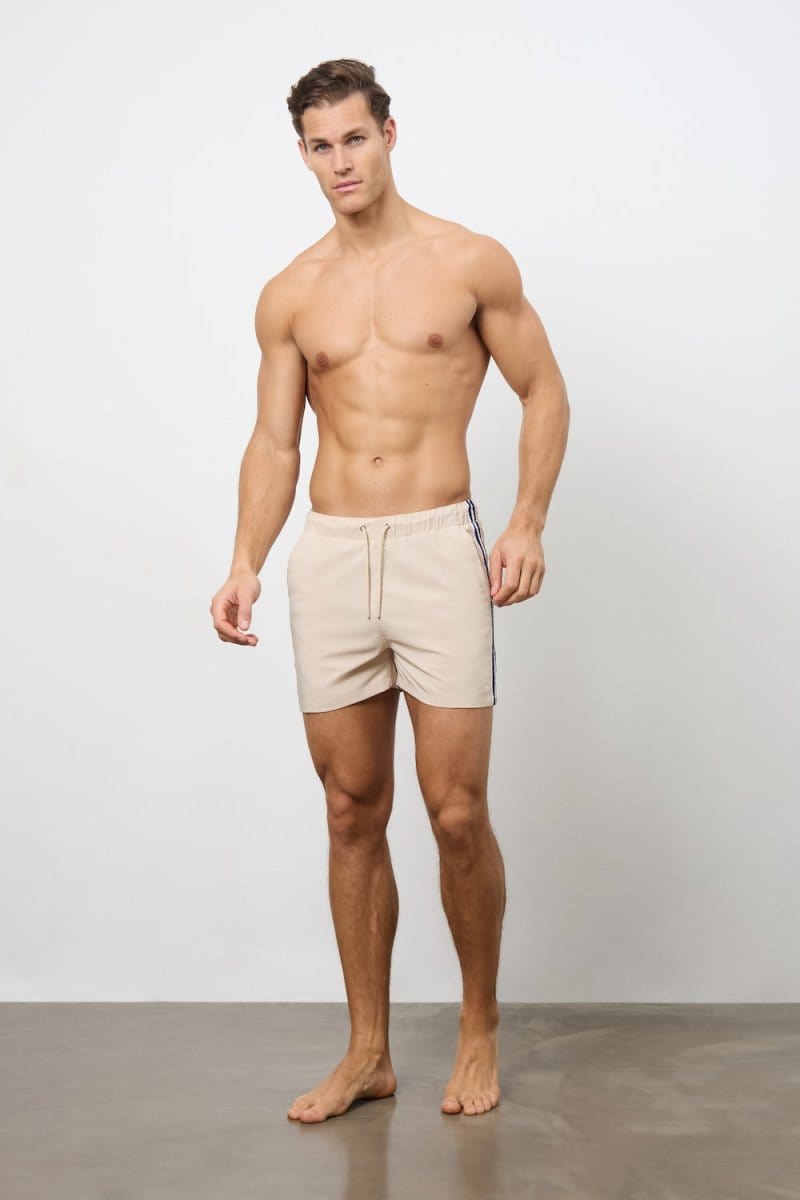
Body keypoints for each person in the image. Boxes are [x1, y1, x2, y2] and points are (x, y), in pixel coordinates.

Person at [209, 58, 570, 1123]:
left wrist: (526, 520)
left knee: (455, 811)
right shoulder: (291, 292)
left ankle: (477, 1026)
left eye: (354, 138)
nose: (340, 162)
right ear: (304, 155)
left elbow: (543, 388)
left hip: (434, 548)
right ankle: (367, 1051)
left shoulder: (468, 262)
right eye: (320, 146)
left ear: (389, 135)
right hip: (329, 556)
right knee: (348, 810)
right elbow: (276, 442)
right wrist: (244, 558)